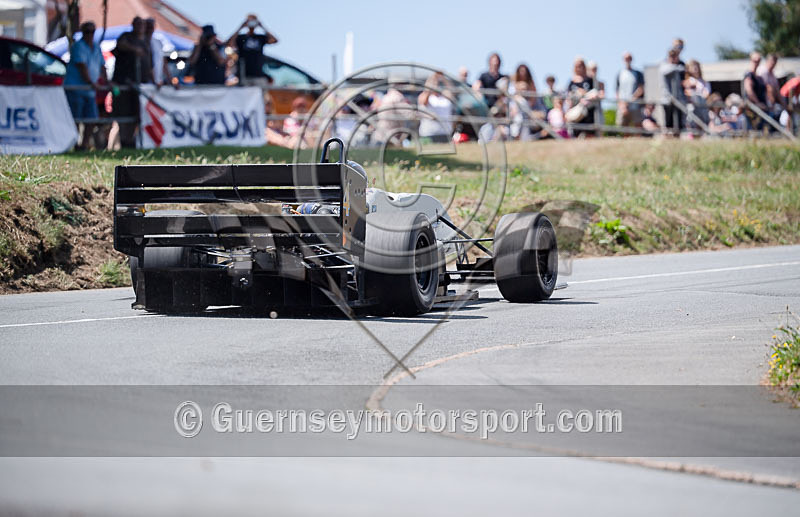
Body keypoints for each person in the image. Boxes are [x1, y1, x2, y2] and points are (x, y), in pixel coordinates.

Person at [64, 21, 107, 149]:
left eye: (92, 31)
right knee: (76, 119)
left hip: (89, 91)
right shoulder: (78, 46)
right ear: (82, 32)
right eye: (87, 31)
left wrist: (106, 81)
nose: (90, 34)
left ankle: (84, 144)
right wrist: (92, 83)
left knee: (92, 118)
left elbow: (102, 66)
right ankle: (74, 144)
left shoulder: (96, 46)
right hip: (76, 88)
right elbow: (82, 67)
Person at [112, 17, 152, 147]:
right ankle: (124, 142)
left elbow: (150, 65)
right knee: (124, 114)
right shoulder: (127, 36)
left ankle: (132, 141)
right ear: (133, 25)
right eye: (138, 24)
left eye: (143, 24)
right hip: (124, 83)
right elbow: (121, 45)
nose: (141, 26)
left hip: (140, 85)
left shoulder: (146, 42)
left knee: (138, 115)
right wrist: (134, 49)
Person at [227, 14, 278, 87]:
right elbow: (229, 43)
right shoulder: (241, 38)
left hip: (259, 75)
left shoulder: (260, 38)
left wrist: (262, 26)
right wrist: (240, 27)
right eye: (250, 21)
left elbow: (274, 40)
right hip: (244, 76)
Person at [565, 56, 599, 136]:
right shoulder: (571, 81)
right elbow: (568, 96)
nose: (579, 68)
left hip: (588, 110)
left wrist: (583, 93)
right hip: (575, 111)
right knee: (576, 132)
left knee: (589, 133)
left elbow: (595, 92)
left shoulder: (590, 79)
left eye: (581, 65)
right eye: (577, 66)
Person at [418, 72, 454, 143]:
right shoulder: (424, 96)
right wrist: (432, 77)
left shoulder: (445, 97)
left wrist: (443, 78)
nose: (436, 85)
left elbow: (452, 90)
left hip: (445, 133)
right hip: (428, 133)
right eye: (434, 83)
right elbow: (424, 100)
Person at [659, 47, 686, 135]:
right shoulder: (665, 66)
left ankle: (677, 138)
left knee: (678, 122)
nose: (673, 58)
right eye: (672, 56)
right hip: (667, 99)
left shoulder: (677, 68)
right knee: (668, 122)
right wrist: (678, 67)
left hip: (678, 99)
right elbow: (668, 70)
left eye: (675, 56)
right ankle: (668, 138)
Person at [615, 51, 644, 127]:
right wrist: (621, 104)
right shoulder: (620, 73)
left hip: (635, 104)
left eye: (629, 58)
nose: (627, 60)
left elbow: (641, 88)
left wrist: (632, 99)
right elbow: (617, 90)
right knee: (624, 126)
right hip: (623, 105)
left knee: (637, 125)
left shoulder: (638, 73)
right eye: (626, 58)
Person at [743, 52, 768, 129]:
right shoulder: (749, 75)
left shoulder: (759, 77)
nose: (757, 62)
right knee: (755, 129)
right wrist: (758, 103)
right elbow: (749, 91)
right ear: (751, 60)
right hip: (753, 108)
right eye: (755, 60)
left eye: (759, 60)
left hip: (762, 108)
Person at [145, 18, 170, 87]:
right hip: (147, 82)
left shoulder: (158, 42)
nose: (150, 29)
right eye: (148, 27)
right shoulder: (141, 42)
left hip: (158, 82)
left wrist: (169, 79)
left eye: (151, 27)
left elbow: (163, 62)